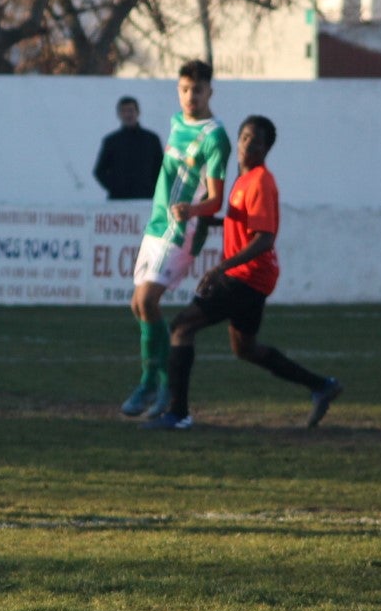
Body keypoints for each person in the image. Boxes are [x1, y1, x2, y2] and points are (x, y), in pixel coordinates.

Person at [142, 116, 343, 430]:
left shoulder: (261, 181)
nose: (248, 144)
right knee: (245, 348)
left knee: (181, 326)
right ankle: (322, 385)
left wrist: (221, 268)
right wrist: (207, 219)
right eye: (245, 137)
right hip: (254, 277)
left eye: (256, 141)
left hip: (246, 276)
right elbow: (245, 223)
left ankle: (178, 414)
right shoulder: (244, 178)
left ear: (266, 148)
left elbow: (265, 238)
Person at [121, 59, 231, 419]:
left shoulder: (215, 138)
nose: (190, 96)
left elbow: (216, 200)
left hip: (184, 230)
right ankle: (153, 381)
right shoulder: (176, 122)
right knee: (138, 305)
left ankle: (157, 383)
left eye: (197, 90)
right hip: (157, 225)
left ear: (210, 91)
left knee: (148, 300)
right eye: (184, 89)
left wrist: (192, 210)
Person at [93, 96, 164, 200]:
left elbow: (162, 169)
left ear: (138, 112)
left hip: (146, 199)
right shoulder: (111, 141)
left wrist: (152, 188)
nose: (127, 115)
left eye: (130, 110)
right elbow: (99, 171)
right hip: (119, 201)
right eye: (124, 111)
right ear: (119, 114)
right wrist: (115, 188)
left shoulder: (151, 139)